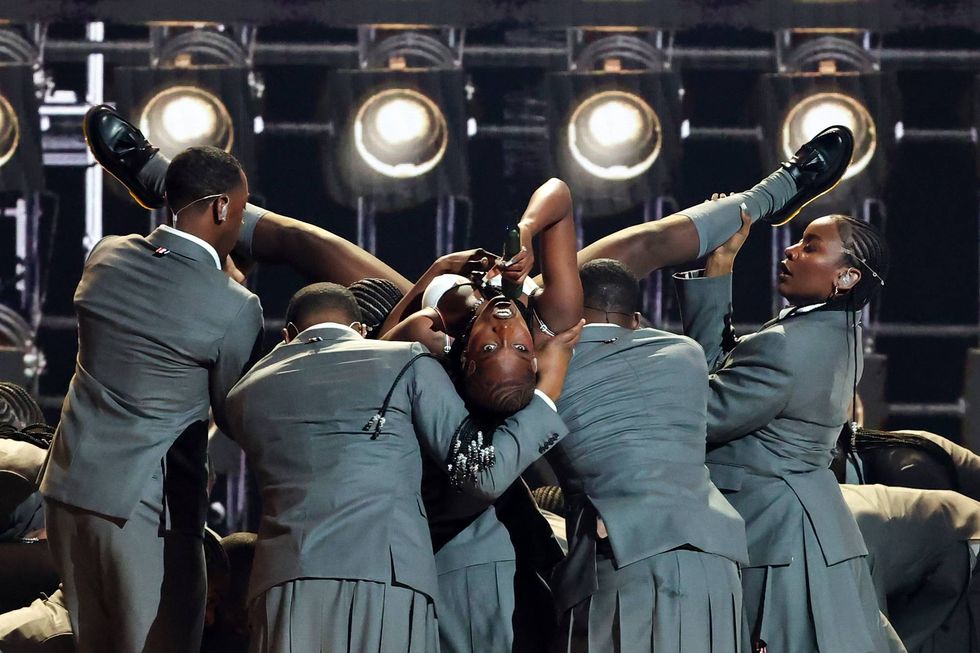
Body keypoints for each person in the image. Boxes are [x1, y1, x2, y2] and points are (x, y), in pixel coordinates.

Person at [223, 282, 580, 653]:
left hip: (285, 581)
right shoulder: (404, 361)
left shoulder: (243, 395)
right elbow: (481, 471)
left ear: (287, 335)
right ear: (360, 330)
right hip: (387, 578)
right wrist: (546, 393)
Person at [39, 116, 263, 651]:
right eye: (242, 210)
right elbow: (233, 413)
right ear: (222, 208)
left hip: (69, 490)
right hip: (141, 511)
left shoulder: (107, 256)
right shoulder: (236, 307)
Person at [675, 209, 894, 652]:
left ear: (846, 276)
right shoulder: (839, 331)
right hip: (814, 531)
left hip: (779, 541)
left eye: (810, 246)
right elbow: (723, 374)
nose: (790, 251)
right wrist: (721, 264)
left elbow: (701, 414)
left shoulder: (787, 345)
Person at [544, 258, 747, 652]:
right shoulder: (686, 354)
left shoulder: (551, 367)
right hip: (713, 563)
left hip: (621, 563)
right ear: (636, 319)